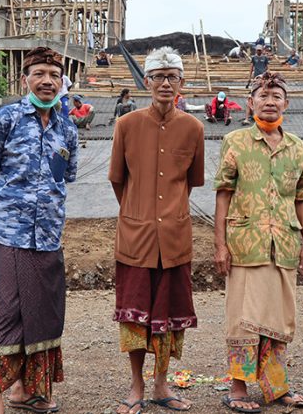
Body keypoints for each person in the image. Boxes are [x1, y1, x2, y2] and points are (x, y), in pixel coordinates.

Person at [0, 46, 79, 414]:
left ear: (61, 81)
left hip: (49, 233)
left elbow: (64, 178)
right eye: (39, 74)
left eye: (54, 75)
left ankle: (27, 390)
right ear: (25, 80)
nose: (47, 81)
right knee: (9, 308)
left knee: (45, 311)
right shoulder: (5, 119)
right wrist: (7, 208)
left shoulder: (67, 126)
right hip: (11, 232)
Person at [108, 46, 205, 414]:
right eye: (159, 76)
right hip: (136, 238)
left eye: (173, 77)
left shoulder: (194, 128)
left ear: (182, 83)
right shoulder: (126, 125)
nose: (166, 83)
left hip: (175, 238)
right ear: (146, 81)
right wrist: (138, 212)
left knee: (168, 315)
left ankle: (162, 383)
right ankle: (136, 384)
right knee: (134, 315)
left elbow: (191, 182)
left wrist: (165, 213)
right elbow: (118, 180)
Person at [214, 71, 303, 413]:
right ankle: (239, 388)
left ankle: (276, 386)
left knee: (280, 315)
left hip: (284, 243)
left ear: (286, 103)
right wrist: (220, 244)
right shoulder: (236, 141)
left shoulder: (297, 146)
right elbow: (223, 193)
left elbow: (302, 197)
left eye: (276, 96)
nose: (270, 102)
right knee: (242, 316)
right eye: (263, 96)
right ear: (250, 103)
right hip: (245, 242)